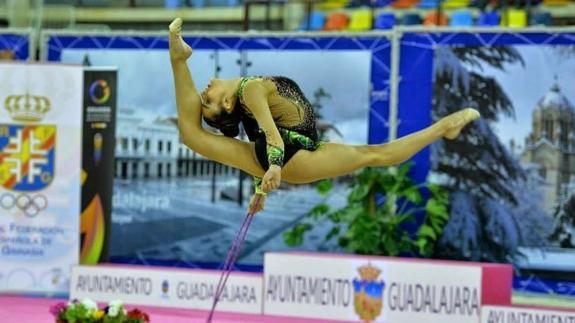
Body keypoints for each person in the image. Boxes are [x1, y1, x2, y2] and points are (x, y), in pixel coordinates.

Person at [168, 18, 480, 212]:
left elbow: (264, 132)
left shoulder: (251, 91)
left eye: (202, 98)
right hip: (289, 155)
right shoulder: (248, 90)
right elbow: (271, 135)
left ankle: (179, 58)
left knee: (191, 136)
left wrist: (262, 186)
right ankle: (443, 128)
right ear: (226, 104)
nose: (205, 89)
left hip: (291, 153)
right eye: (205, 100)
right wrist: (273, 170)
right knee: (374, 155)